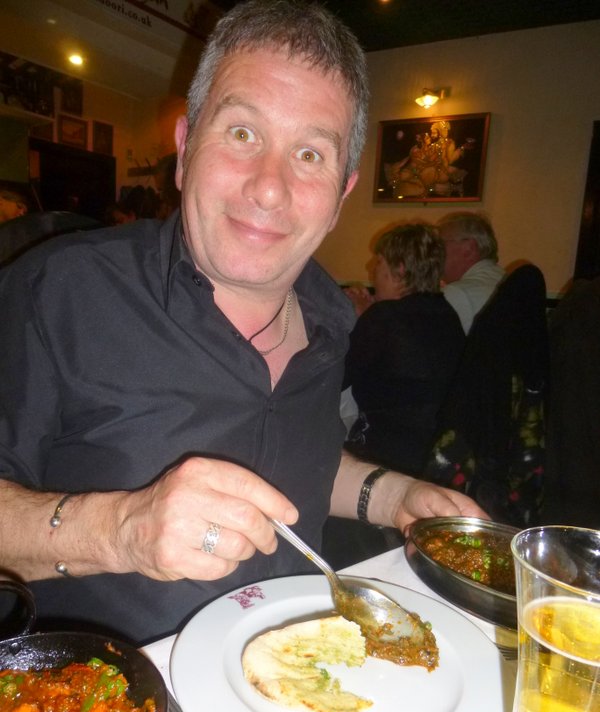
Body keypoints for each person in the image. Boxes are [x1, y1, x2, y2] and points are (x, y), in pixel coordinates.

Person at [0, 0, 484, 645]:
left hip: (305, 674)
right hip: (107, 690)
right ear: (185, 148)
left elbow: (296, 463)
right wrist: (119, 530)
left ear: (341, 195)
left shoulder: (331, 317)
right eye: (242, 133)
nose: (269, 187)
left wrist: (394, 498)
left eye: (309, 153)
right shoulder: (57, 287)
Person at [345, 223, 465, 476]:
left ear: (399, 269)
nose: (371, 268)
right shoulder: (447, 315)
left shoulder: (384, 318)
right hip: (436, 452)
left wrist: (356, 320)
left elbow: (338, 376)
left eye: (379, 262)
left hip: (386, 453)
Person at [437, 211, 505, 332]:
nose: (434, 252)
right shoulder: (506, 280)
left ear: (469, 249)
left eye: (440, 244)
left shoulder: (457, 293)